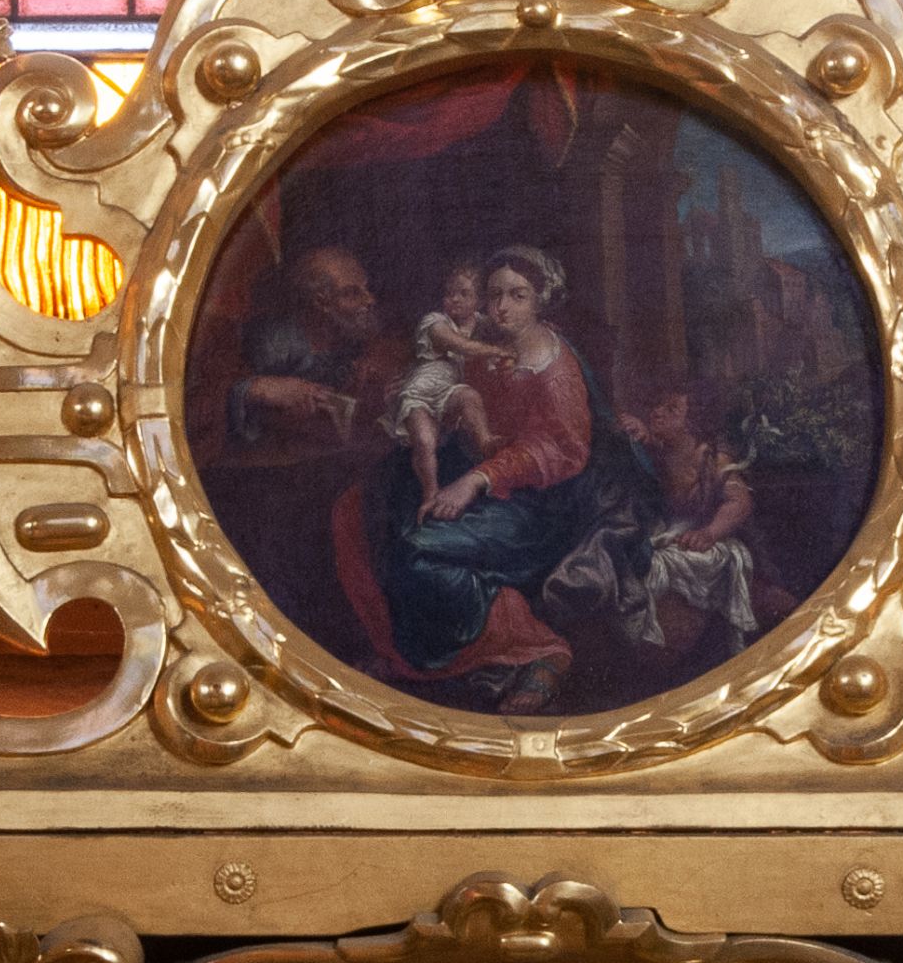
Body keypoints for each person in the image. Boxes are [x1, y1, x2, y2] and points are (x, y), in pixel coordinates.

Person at [350, 245, 657, 715]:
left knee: (419, 549)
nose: (502, 307)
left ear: (540, 300)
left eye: (518, 295)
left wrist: (475, 480)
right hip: (482, 475)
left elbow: (562, 450)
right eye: (494, 295)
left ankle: (536, 648)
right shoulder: (486, 345)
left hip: (541, 506)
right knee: (368, 504)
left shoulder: (553, 367)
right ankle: (406, 651)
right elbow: (460, 401)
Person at [622, 388, 760, 658]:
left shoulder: (711, 459)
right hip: (669, 531)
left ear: (693, 424)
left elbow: (740, 501)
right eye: (659, 406)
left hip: (703, 533)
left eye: (671, 409)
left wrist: (709, 533)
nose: (657, 412)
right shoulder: (662, 451)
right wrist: (640, 432)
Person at [229, 245, 386, 452]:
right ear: (321, 301)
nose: (370, 300)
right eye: (352, 293)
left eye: (365, 289)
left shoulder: (348, 338)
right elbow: (248, 408)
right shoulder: (275, 341)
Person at [388, 262, 514, 499]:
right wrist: (496, 351)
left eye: (464, 294)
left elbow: (508, 329)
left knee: (469, 396)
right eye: (449, 293)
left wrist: (534, 329)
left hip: (449, 394)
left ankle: (486, 443)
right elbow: (460, 345)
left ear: (479, 300)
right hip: (419, 395)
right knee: (425, 442)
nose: (454, 299)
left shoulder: (481, 323)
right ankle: (430, 493)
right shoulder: (434, 322)